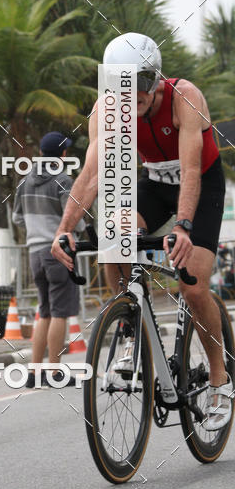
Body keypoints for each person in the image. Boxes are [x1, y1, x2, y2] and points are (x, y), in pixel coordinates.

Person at [51, 32, 232, 429]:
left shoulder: (185, 97)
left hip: (199, 183)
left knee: (194, 286)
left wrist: (183, 226)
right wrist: (65, 228)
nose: (131, 101)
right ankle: (130, 324)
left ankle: (220, 379)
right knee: (113, 236)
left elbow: (189, 170)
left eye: (140, 88)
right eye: (122, 89)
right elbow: (92, 174)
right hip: (153, 182)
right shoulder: (107, 109)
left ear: (153, 80)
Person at [12, 132, 84, 388]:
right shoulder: (64, 181)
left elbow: (17, 219)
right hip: (57, 252)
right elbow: (75, 219)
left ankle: (34, 371)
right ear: (63, 154)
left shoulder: (24, 182)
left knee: (43, 311)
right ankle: (54, 372)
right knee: (60, 313)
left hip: (34, 253)